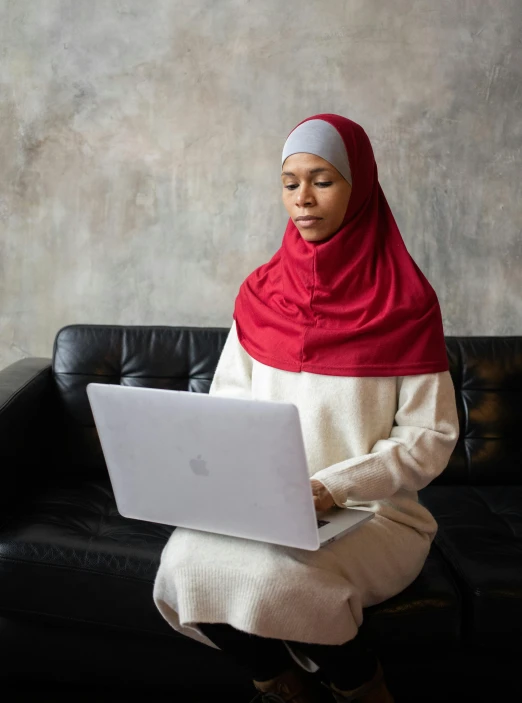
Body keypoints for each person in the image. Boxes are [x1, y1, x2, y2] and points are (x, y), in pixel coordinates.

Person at [153, 113, 460, 703]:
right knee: (184, 564)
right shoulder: (259, 291)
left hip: (372, 514)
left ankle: (361, 684)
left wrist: (332, 487)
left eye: (322, 180)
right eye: (290, 183)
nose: (303, 199)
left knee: (281, 581)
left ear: (359, 185)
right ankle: (279, 682)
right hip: (261, 508)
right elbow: (228, 402)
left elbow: (430, 437)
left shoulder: (408, 301)